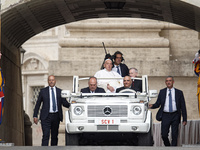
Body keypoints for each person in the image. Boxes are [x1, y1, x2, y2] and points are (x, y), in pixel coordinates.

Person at [149, 76, 187, 146]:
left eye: (170, 80)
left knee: (174, 135)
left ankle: (173, 148)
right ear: (165, 82)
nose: (168, 82)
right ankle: (168, 147)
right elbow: (158, 104)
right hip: (165, 115)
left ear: (173, 82)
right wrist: (151, 105)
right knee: (164, 135)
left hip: (175, 115)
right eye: (167, 81)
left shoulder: (179, 92)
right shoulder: (162, 92)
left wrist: (184, 119)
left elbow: (183, 106)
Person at [33, 75, 70, 146]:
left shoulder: (60, 91)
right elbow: (38, 104)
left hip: (56, 116)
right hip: (46, 117)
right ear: (48, 81)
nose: (51, 81)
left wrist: (72, 104)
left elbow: (64, 103)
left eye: (52, 80)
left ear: (55, 81)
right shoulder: (43, 91)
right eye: (50, 80)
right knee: (46, 135)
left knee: (54, 136)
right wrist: (35, 115)